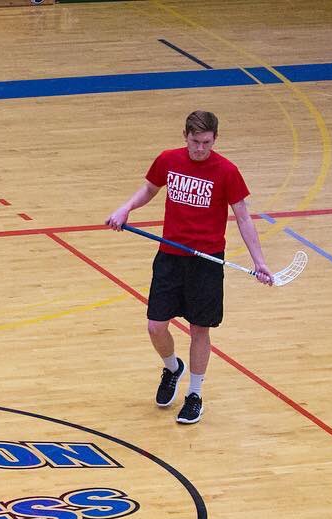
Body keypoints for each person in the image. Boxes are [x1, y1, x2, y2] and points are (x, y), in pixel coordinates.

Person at [105, 110, 273, 425]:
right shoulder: (168, 160)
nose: (199, 149)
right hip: (170, 256)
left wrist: (259, 261)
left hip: (206, 261)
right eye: (195, 142)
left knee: (199, 329)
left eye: (206, 143)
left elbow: (243, 216)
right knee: (156, 325)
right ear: (185, 136)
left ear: (215, 140)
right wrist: (125, 208)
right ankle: (172, 368)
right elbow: (149, 190)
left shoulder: (227, 171)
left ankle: (194, 394)